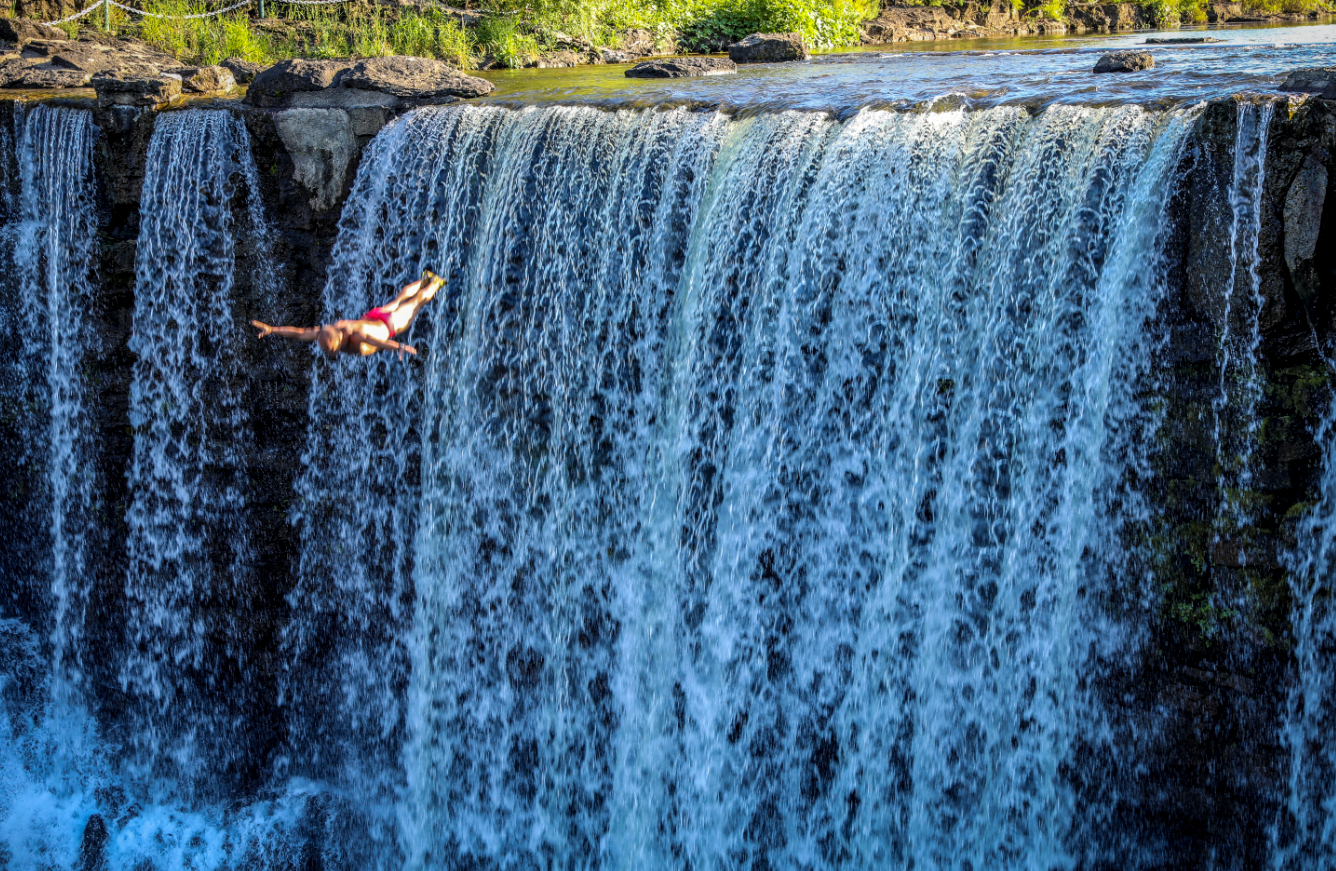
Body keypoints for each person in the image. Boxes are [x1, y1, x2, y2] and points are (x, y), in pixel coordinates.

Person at [251, 271, 445, 357]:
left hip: (389, 325)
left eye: (331, 349)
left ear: (340, 339)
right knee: (397, 300)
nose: (329, 352)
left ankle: (435, 282)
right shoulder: (326, 332)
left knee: (416, 303)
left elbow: (378, 343)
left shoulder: (355, 336)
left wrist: (398, 347)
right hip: (373, 316)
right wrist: (272, 329)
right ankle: (422, 281)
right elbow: (300, 333)